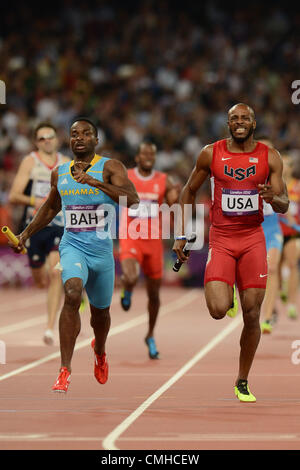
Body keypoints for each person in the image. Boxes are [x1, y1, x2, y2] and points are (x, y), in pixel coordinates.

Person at [9, 117, 139, 393]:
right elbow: (50, 208)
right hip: (73, 245)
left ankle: (100, 351)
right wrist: (25, 234)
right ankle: (64, 369)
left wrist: (95, 182)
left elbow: (132, 199)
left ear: (96, 139)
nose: (78, 138)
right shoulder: (61, 172)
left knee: (100, 316)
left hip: (102, 251)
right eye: (73, 134)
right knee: (71, 291)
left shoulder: (111, 167)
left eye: (85, 133)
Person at [173, 103, 289, 402]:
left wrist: (272, 197)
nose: (239, 122)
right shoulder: (211, 153)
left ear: (254, 122)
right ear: (227, 123)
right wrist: (182, 233)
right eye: (234, 118)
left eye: (245, 118)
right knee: (217, 310)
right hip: (222, 239)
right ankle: (229, 290)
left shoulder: (269, 156)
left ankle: (242, 379)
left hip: (253, 238)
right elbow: (188, 191)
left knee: (252, 315)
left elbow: (284, 203)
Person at [9, 122, 70, 345]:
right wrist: (40, 202)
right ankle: (45, 273)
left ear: (57, 139)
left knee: (55, 273)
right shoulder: (30, 162)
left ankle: (49, 328)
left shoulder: (66, 163)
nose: (47, 141)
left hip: (58, 225)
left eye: (50, 137)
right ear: (37, 142)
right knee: (40, 280)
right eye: (42, 138)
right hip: (34, 226)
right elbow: (14, 195)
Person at [118, 141, 180, 359]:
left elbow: (175, 205)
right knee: (131, 275)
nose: (148, 157)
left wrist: (179, 198)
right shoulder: (126, 177)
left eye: (151, 154)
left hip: (154, 242)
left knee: (154, 294)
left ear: (155, 158)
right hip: (130, 238)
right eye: (144, 153)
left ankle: (150, 335)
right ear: (137, 157)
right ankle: (127, 289)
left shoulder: (164, 181)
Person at [256, 137, 284, 334]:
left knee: (272, 268)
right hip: (254, 231)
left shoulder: (277, 176)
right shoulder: (247, 174)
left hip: (273, 230)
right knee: (256, 275)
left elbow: (285, 204)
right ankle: (267, 307)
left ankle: (266, 319)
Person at [278, 153, 300, 320]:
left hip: (293, 232)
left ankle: (292, 303)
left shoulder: (297, 186)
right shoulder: (273, 184)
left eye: (287, 164)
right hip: (276, 231)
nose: (284, 167)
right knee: (276, 267)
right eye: (282, 164)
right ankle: (281, 289)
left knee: (292, 264)